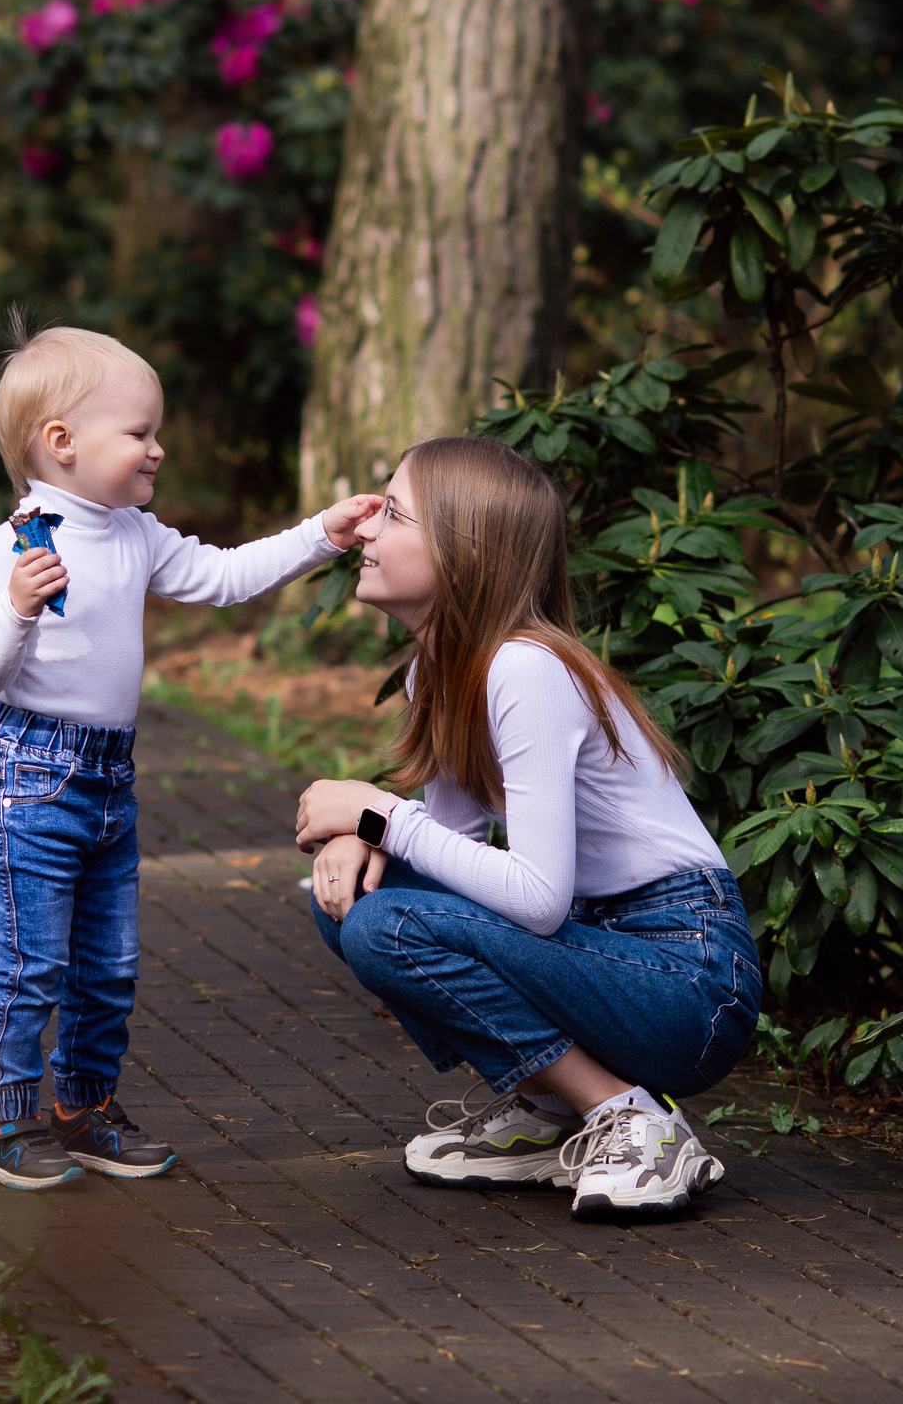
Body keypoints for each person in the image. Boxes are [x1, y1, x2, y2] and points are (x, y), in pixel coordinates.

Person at [0, 319, 381, 1191]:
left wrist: (322, 535)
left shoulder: (134, 533)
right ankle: (2, 1124)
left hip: (109, 776)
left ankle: (83, 1109)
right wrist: (18, 608)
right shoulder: (20, 543)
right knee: (33, 964)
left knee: (109, 966)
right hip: (26, 779)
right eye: (139, 433)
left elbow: (224, 577)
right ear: (61, 443)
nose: (157, 450)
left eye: (156, 432)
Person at [294, 435, 759, 1220]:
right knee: (348, 897)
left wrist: (379, 813)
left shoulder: (526, 667)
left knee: (385, 923)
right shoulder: (441, 671)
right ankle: (553, 1118)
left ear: (463, 552)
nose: (367, 530)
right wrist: (368, 838)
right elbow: (444, 863)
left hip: (688, 981)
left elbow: (539, 899)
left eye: (394, 513)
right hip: (603, 954)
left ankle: (630, 1117)